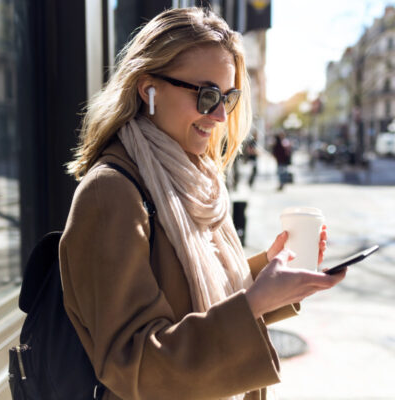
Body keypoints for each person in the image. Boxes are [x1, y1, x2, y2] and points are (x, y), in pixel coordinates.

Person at [59, 7, 346, 400]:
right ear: (149, 89)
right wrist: (254, 302)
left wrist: (270, 277)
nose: (219, 115)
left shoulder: (197, 176)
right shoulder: (111, 193)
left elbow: (189, 291)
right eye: (207, 95)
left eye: (228, 97)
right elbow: (132, 365)